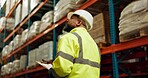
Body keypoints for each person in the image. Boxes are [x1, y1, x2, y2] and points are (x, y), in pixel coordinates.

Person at [50, 10, 101, 78]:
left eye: (71, 18)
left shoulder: (69, 38)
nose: (67, 20)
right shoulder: (95, 45)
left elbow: (63, 69)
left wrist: (53, 72)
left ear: (79, 22)